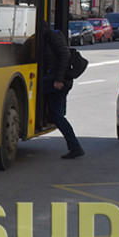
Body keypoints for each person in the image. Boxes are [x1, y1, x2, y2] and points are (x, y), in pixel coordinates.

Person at [41, 20, 84, 159]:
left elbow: (65, 54)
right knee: (56, 115)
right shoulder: (46, 37)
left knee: (58, 117)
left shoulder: (51, 37)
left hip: (58, 82)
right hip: (54, 80)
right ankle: (75, 146)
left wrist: (59, 79)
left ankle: (75, 147)